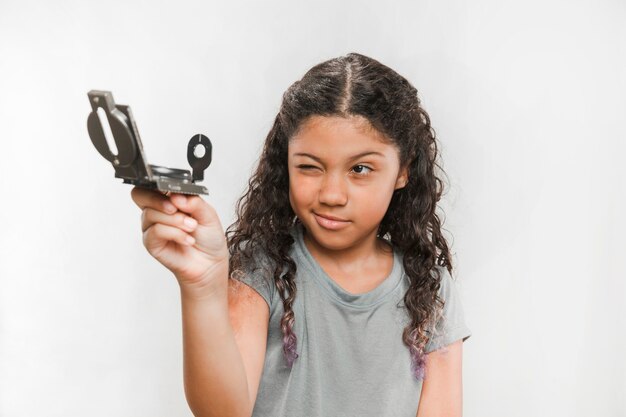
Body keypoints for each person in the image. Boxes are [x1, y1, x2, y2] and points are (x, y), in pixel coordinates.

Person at [131, 52, 472, 417]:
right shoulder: (264, 268)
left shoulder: (431, 288)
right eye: (309, 167)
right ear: (287, 163)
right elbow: (223, 411)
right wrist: (201, 287)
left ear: (403, 171)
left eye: (360, 168)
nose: (331, 195)